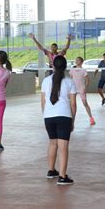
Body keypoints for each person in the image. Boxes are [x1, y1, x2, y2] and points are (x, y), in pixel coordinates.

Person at [41, 56, 76, 185]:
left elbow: (43, 101)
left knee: (52, 143)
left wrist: (45, 115)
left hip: (48, 116)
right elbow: (73, 104)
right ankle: (62, 176)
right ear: (65, 66)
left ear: (53, 66)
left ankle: (51, 171)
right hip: (64, 116)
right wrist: (72, 120)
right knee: (63, 147)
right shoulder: (69, 82)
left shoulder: (45, 81)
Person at [69, 56, 95, 125]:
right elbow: (70, 79)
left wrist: (85, 88)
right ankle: (71, 120)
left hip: (81, 89)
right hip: (73, 89)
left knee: (85, 103)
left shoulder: (83, 70)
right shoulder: (72, 70)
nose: (76, 61)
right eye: (76, 60)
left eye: (78, 60)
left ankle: (91, 118)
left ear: (82, 62)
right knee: (72, 104)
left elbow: (87, 80)